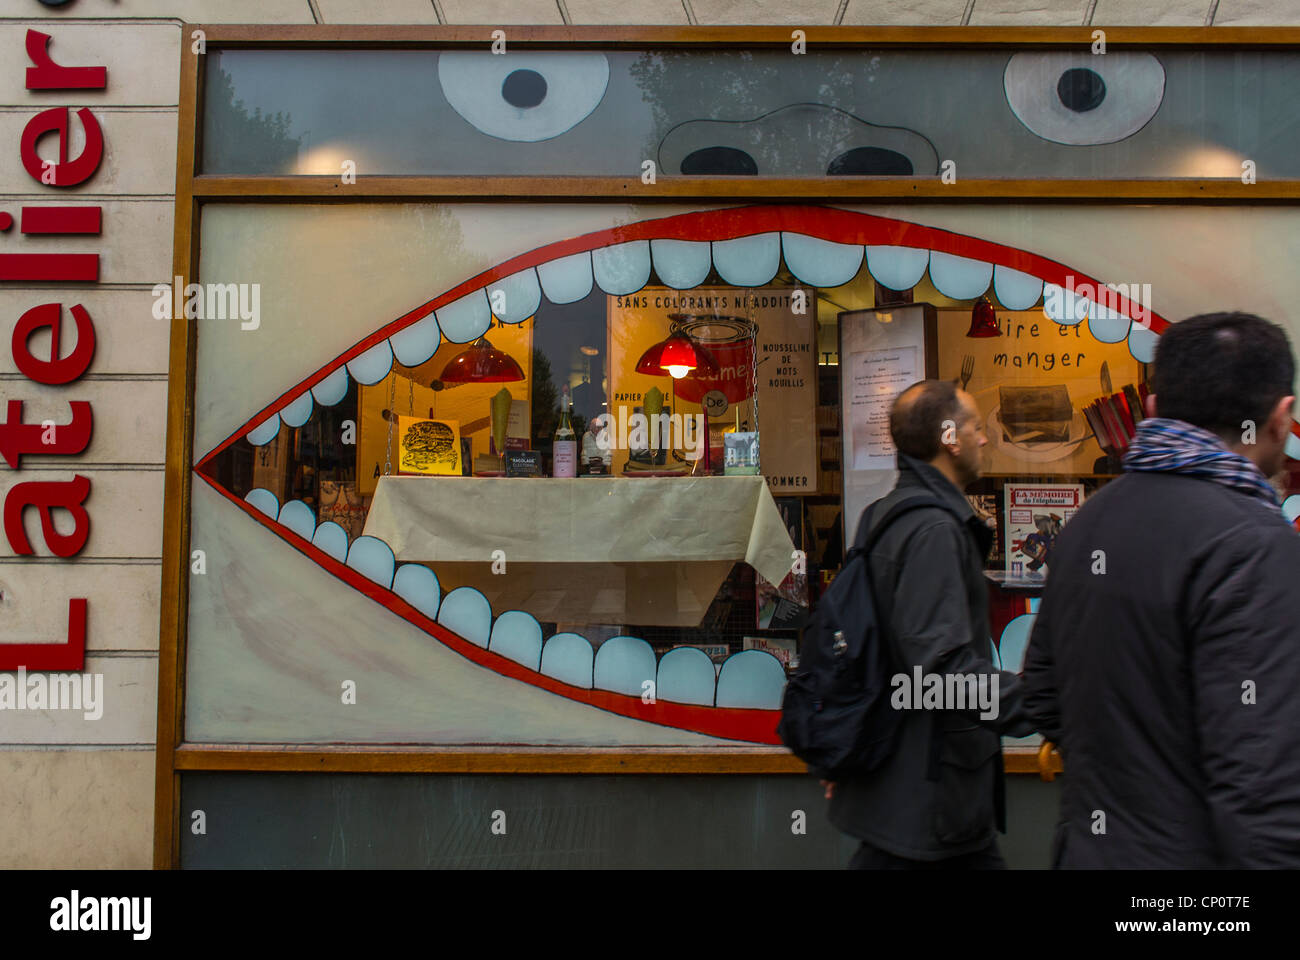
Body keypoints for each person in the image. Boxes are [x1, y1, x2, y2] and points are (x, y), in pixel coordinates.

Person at [1023, 311, 1300, 868]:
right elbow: (1261, 786)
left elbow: (1042, 694)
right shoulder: (1254, 545)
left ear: (1152, 409)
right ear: (1280, 417)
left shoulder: (1086, 525)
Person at [826, 379, 1036, 869]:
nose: (985, 439)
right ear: (950, 439)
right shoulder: (936, 530)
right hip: (931, 797)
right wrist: (1040, 703)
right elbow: (939, 676)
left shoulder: (882, 515)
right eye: (976, 427)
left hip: (898, 791)